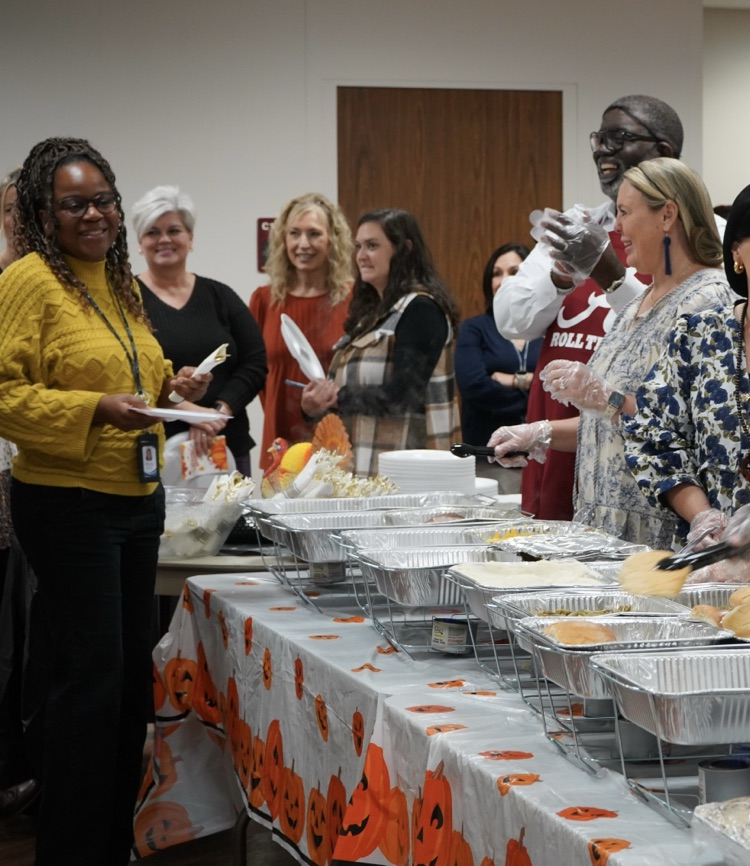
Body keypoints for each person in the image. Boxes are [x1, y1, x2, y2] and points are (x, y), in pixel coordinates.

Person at [0, 137, 210, 865]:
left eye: (102, 200)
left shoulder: (117, 279)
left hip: (134, 498)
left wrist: (168, 394)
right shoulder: (29, 280)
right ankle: (71, 848)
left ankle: (113, 841)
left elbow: (131, 382)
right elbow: (6, 395)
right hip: (67, 505)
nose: (93, 214)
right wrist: (94, 409)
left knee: (126, 684)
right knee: (89, 682)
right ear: (42, 212)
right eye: (73, 203)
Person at [489, 158, 736, 548]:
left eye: (624, 212)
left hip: (658, 531)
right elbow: (612, 425)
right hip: (604, 526)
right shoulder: (638, 304)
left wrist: (605, 397)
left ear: (667, 215)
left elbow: (686, 430)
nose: (615, 227)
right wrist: (541, 432)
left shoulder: (706, 298)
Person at [493, 95, 699, 521]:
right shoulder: (578, 224)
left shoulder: (701, 238)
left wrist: (609, 274)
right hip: (568, 435)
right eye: (599, 138)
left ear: (663, 151)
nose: (602, 149)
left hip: (643, 454)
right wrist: (560, 278)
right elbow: (510, 318)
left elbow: (671, 331)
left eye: (618, 138)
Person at [622, 183, 750, 559]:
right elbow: (651, 436)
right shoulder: (700, 335)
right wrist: (704, 517)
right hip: (715, 567)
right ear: (737, 253)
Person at [301, 208, 461, 476]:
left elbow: (403, 396)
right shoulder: (369, 316)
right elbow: (349, 398)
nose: (361, 256)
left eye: (372, 246)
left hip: (407, 477)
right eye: (358, 246)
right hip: (360, 471)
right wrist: (313, 406)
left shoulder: (420, 310)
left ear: (404, 249)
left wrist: (336, 397)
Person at [132, 185, 267, 477]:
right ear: (139, 242)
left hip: (225, 444)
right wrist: (191, 413)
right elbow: (127, 375)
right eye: (152, 232)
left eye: (174, 230)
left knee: (230, 524)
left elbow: (254, 362)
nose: (164, 239)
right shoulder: (126, 301)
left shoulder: (220, 296)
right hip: (155, 451)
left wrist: (216, 413)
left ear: (190, 238)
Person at [249, 192, 353, 466]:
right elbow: (256, 375)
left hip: (337, 445)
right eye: (294, 233)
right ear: (283, 240)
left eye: (314, 234)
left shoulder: (354, 300)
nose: (303, 244)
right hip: (280, 444)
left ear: (333, 240)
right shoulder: (264, 300)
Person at [454, 243, 540, 494]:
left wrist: (512, 380)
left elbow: (562, 390)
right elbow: (475, 387)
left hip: (542, 459)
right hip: (488, 459)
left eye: (514, 272)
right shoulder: (474, 328)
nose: (504, 280)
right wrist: (535, 390)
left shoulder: (549, 329)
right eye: (497, 273)